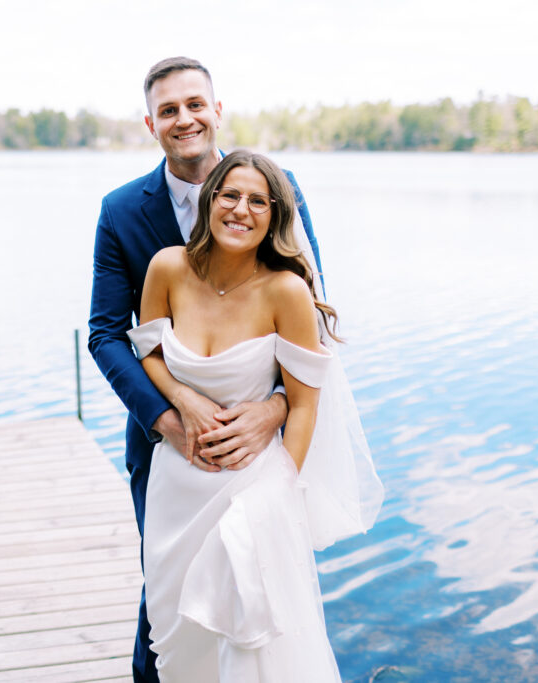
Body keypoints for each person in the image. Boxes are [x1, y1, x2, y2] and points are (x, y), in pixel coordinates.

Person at [88, 56, 324, 682]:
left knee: (259, 597)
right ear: (151, 123)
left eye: (196, 104)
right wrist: (169, 417)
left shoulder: (277, 188)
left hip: (254, 454)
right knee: (164, 603)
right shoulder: (121, 212)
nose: (185, 118)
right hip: (168, 453)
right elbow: (108, 335)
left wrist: (274, 411)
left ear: (217, 110)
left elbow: (313, 323)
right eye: (169, 110)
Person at [127, 149, 380, 682]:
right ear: (210, 201)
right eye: (230, 195)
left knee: (253, 648)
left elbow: (306, 401)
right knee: (177, 642)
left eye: (258, 201)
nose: (241, 209)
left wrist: (279, 490)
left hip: (251, 491)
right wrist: (181, 397)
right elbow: (147, 349)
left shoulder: (285, 291)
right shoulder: (167, 268)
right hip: (175, 490)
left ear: (275, 216)